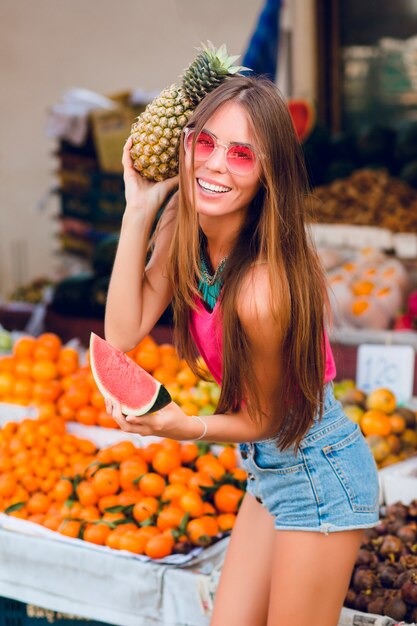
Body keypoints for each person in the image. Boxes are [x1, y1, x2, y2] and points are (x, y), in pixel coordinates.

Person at [104, 75, 380, 626]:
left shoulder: (259, 291)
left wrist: (187, 427)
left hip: (318, 469)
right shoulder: (186, 224)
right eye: (205, 143)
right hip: (268, 470)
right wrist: (139, 210)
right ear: (185, 145)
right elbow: (121, 335)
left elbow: (268, 417)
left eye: (241, 154)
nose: (215, 166)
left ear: (268, 173)